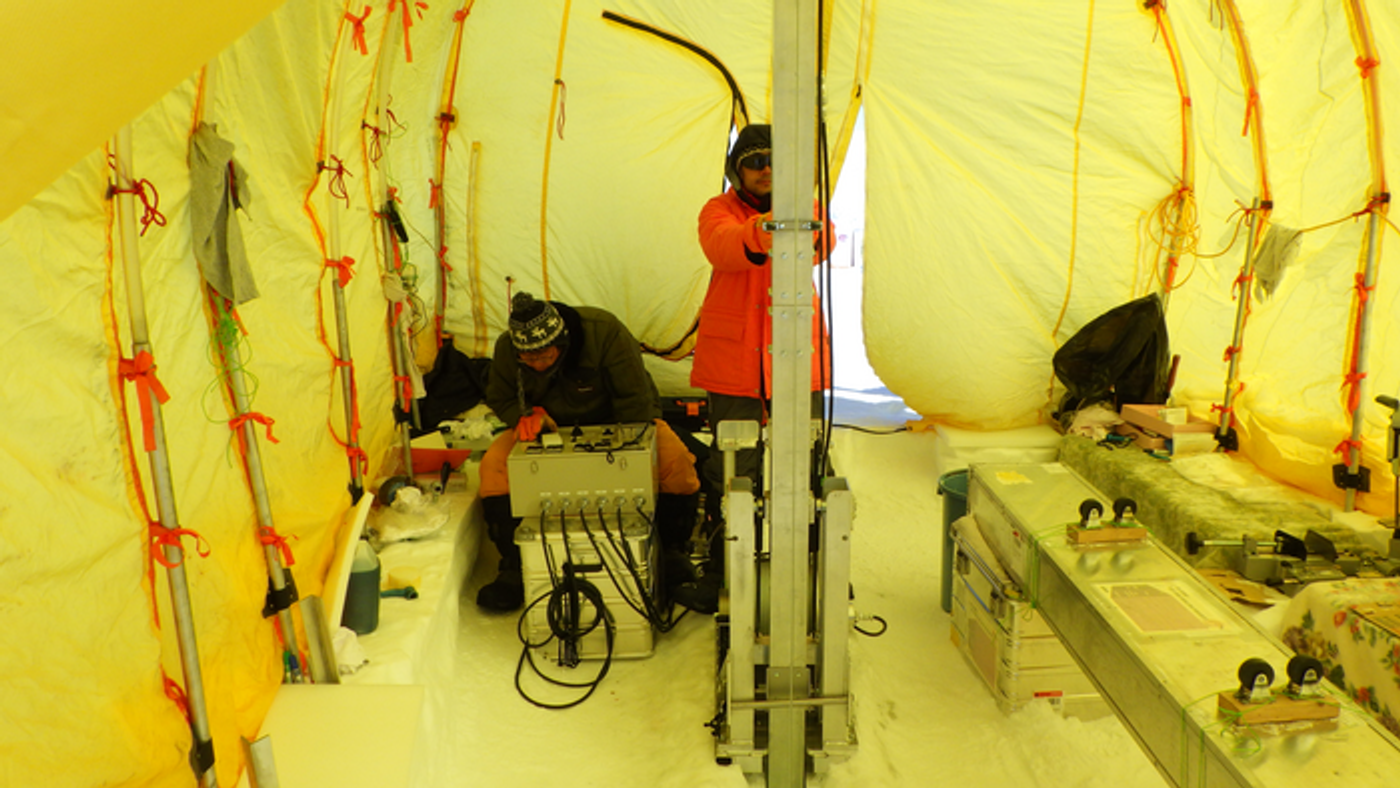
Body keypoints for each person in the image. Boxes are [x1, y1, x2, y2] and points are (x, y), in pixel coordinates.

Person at [675, 124, 832, 613]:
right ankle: (726, 573)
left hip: (796, 365)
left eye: (774, 160)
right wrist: (765, 229)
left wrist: (789, 219)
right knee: (731, 477)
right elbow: (722, 247)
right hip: (734, 370)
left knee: (803, 474)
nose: (766, 169)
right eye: (755, 160)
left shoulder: (805, 209)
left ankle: (809, 572)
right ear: (736, 169)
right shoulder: (717, 209)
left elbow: (822, 243)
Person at [475, 291, 702, 612]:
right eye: (529, 360)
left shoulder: (604, 332)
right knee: (493, 468)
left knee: (675, 460)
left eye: (544, 356)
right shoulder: (507, 348)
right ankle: (514, 565)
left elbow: (636, 398)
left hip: (616, 420)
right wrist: (524, 417)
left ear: (563, 343)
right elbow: (500, 397)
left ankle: (672, 552)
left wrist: (611, 448)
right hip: (548, 428)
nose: (537, 364)